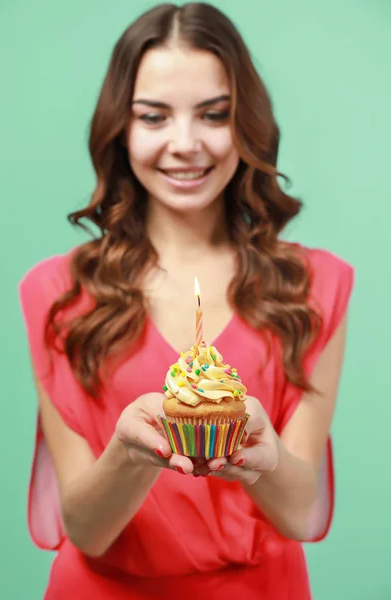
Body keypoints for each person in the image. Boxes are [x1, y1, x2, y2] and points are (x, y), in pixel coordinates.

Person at [18, 2, 354, 599]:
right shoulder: (55, 293)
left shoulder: (314, 286)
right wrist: (127, 453)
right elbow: (85, 531)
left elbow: (301, 516)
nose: (185, 144)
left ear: (245, 122)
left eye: (214, 115)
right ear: (120, 129)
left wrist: (265, 457)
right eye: (154, 117)